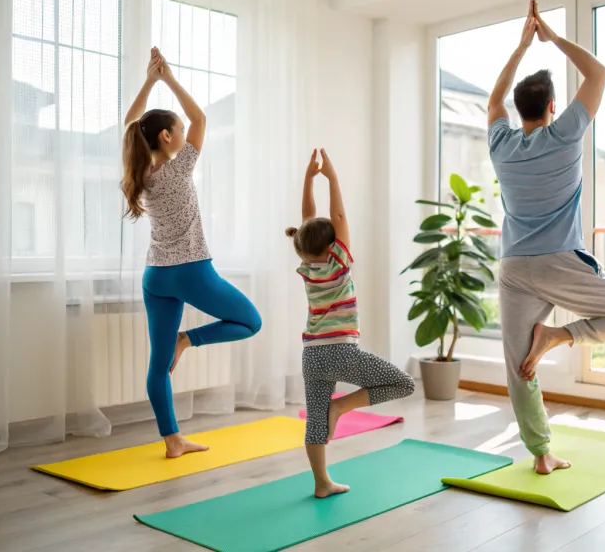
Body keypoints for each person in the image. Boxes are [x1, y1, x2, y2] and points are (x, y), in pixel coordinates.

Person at [487, 0, 605, 474]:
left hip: (514, 265)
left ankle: (541, 455)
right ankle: (560, 335)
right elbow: (598, 75)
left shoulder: (501, 144)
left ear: (518, 111)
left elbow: (494, 103)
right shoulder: (565, 134)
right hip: (559, 260)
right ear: (553, 108)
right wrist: (551, 39)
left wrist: (518, 49)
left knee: (519, 365)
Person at [121, 48, 262, 458]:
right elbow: (201, 118)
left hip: (155, 276)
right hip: (190, 271)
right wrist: (167, 79)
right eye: (177, 129)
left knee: (157, 363)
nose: (186, 132)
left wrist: (149, 81)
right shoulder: (177, 168)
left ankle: (173, 441)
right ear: (166, 137)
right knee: (251, 321)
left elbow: (133, 124)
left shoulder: (139, 171)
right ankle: (189, 339)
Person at [287, 148, 415, 498]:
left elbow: (308, 220)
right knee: (404, 384)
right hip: (341, 353)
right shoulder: (338, 263)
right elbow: (336, 215)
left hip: (311, 357)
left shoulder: (306, 265)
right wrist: (331, 177)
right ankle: (341, 407)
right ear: (334, 246)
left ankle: (321, 483)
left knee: (315, 423)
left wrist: (307, 180)